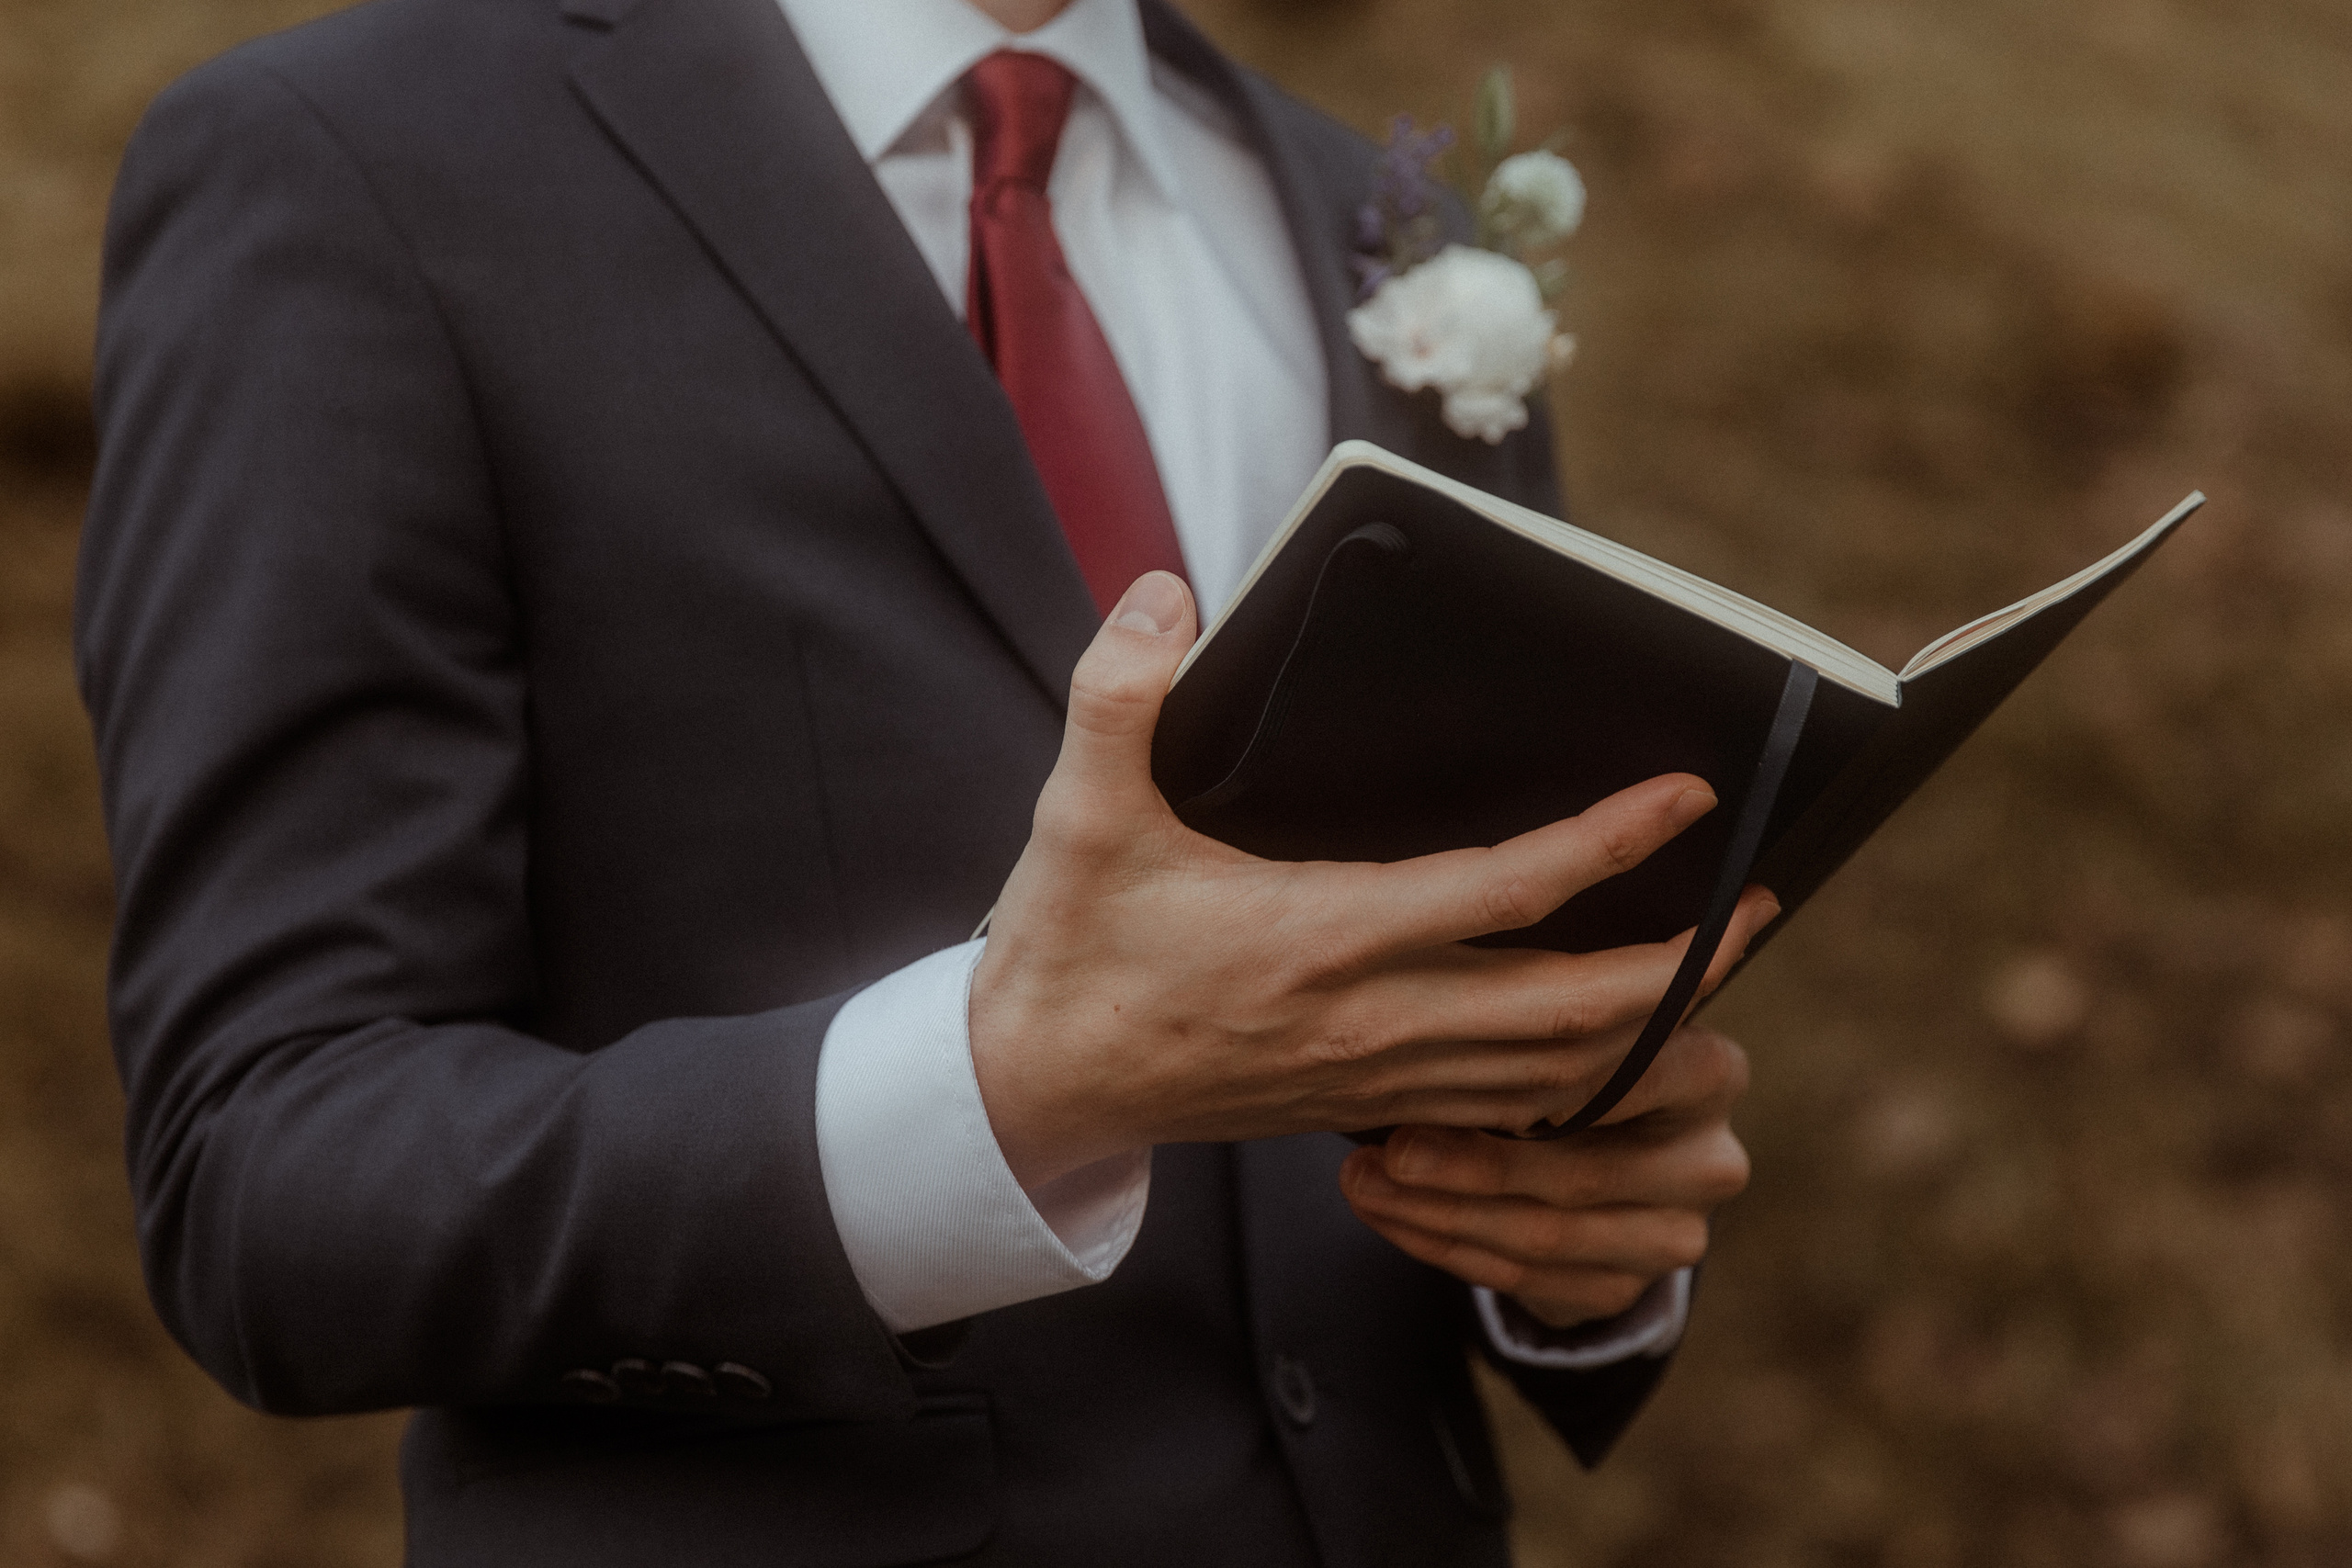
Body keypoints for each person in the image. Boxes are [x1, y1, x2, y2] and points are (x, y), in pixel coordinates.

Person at [76, 0, 1770, 1561]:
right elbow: (266, 1176)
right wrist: (996, 1089)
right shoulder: (348, 162)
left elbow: (1436, 985)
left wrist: (1575, 1246)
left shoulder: (1379, 217)